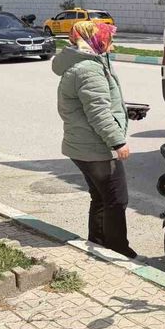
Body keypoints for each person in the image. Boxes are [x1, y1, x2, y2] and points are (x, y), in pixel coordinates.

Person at [52, 21, 138, 259]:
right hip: (95, 148)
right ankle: (117, 249)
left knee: (100, 196)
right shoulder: (89, 69)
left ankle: (98, 242)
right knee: (116, 199)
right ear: (94, 40)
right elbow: (98, 113)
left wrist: (126, 111)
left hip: (82, 145)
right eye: (109, 39)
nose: (112, 44)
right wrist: (117, 142)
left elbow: (93, 105)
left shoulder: (81, 64)